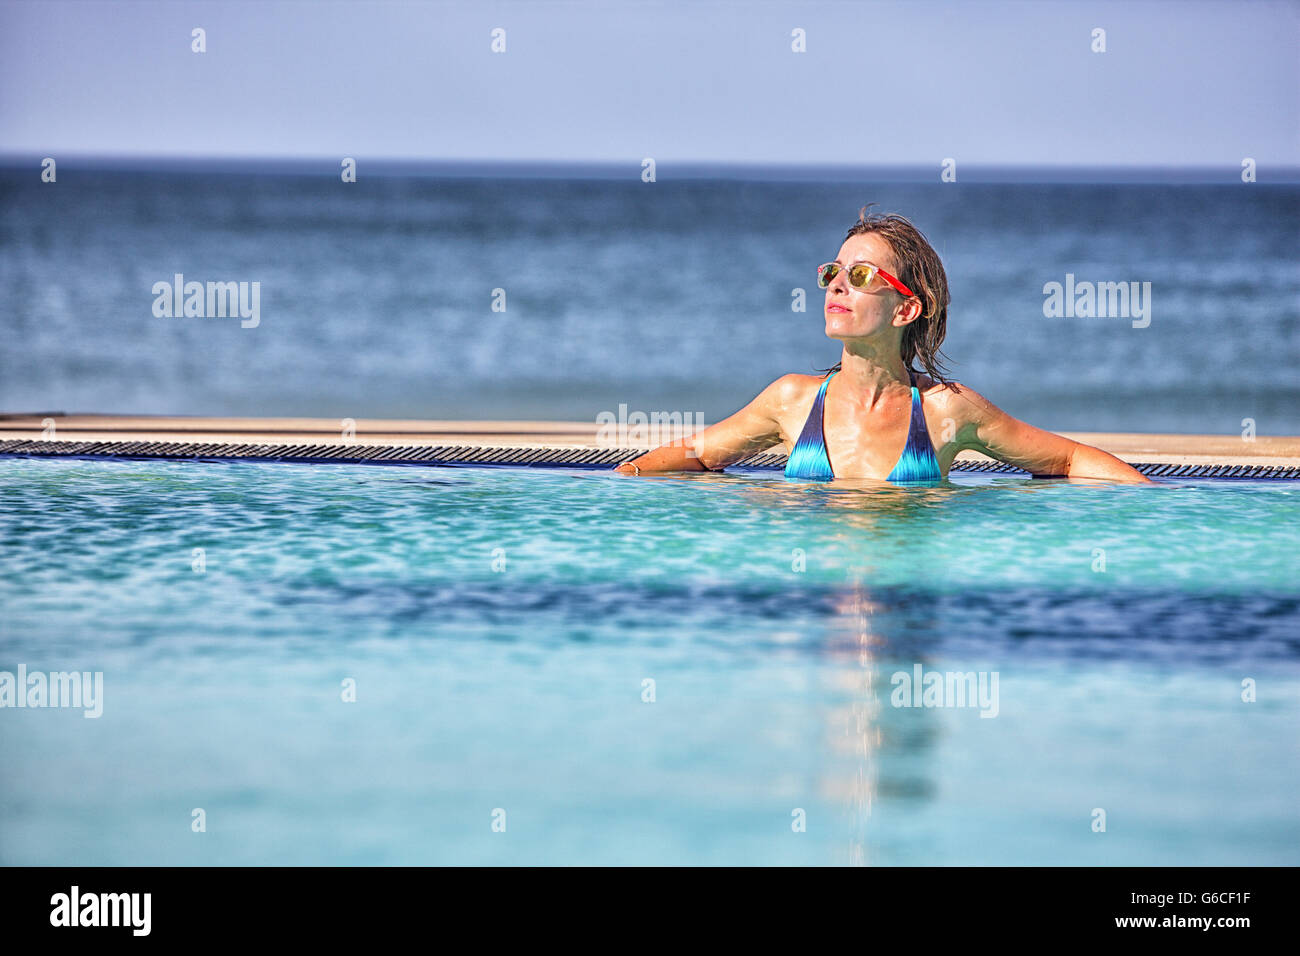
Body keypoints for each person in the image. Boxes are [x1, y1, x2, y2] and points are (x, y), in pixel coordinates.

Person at [615, 209, 1149, 484]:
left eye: (862, 274)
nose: (836, 285)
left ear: (905, 309)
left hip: (904, 598)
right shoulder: (792, 401)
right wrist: (624, 479)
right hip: (817, 606)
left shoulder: (945, 410)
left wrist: (1162, 503)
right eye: (834, 272)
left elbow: (1067, 459)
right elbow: (701, 455)